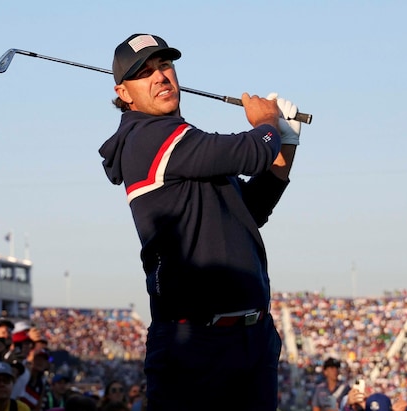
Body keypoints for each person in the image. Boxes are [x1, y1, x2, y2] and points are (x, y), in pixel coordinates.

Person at [98, 33, 302, 411]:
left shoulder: (186, 146)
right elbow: (251, 151)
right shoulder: (146, 136)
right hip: (194, 344)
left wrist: (285, 143)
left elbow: (253, 208)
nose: (160, 77)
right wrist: (268, 124)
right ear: (123, 94)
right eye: (144, 73)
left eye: (165, 66)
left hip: (250, 338)